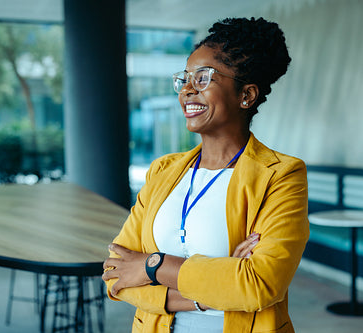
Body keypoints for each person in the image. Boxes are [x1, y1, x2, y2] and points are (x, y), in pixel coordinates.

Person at [102, 17, 309, 333]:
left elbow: (258, 286)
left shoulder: (280, 176)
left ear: (246, 95)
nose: (186, 90)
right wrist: (212, 293)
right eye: (184, 78)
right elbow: (116, 275)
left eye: (202, 78)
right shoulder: (162, 171)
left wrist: (150, 265)